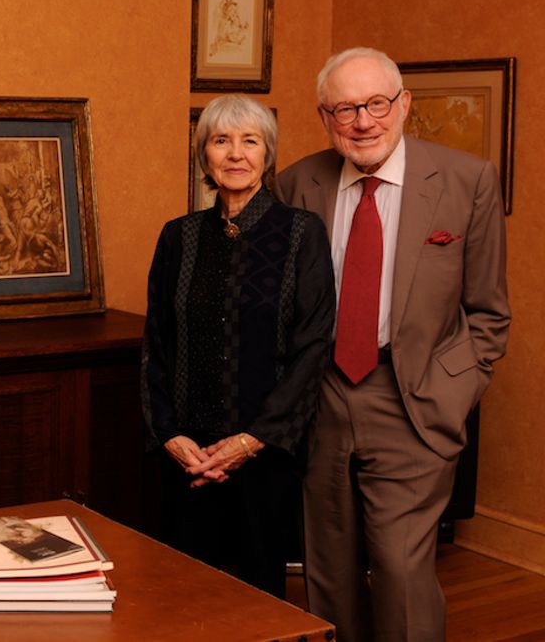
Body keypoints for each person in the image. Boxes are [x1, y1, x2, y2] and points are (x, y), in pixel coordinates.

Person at [276, 47, 511, 641]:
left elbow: (488, 314)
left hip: (413, 397)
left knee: (402, 568)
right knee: (327, 570)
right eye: (345, 109)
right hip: (321, 396)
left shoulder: (466, 180)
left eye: (376, 103)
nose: (363, 121)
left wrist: (448, 395)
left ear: (403, 104)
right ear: (326, 118)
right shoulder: (297, 183)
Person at [140, 94, 335, 598]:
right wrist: (168, 435)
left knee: (254, 597)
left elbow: (312, 347)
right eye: (220, 141)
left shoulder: (301, 234)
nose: (235, 154)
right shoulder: (177, 238)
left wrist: (251, 442)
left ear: (267, 154)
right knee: (184, 591)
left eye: (249, 141)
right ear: (204, 155)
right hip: (189, 454)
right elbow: (156, 344)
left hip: (264, 454)